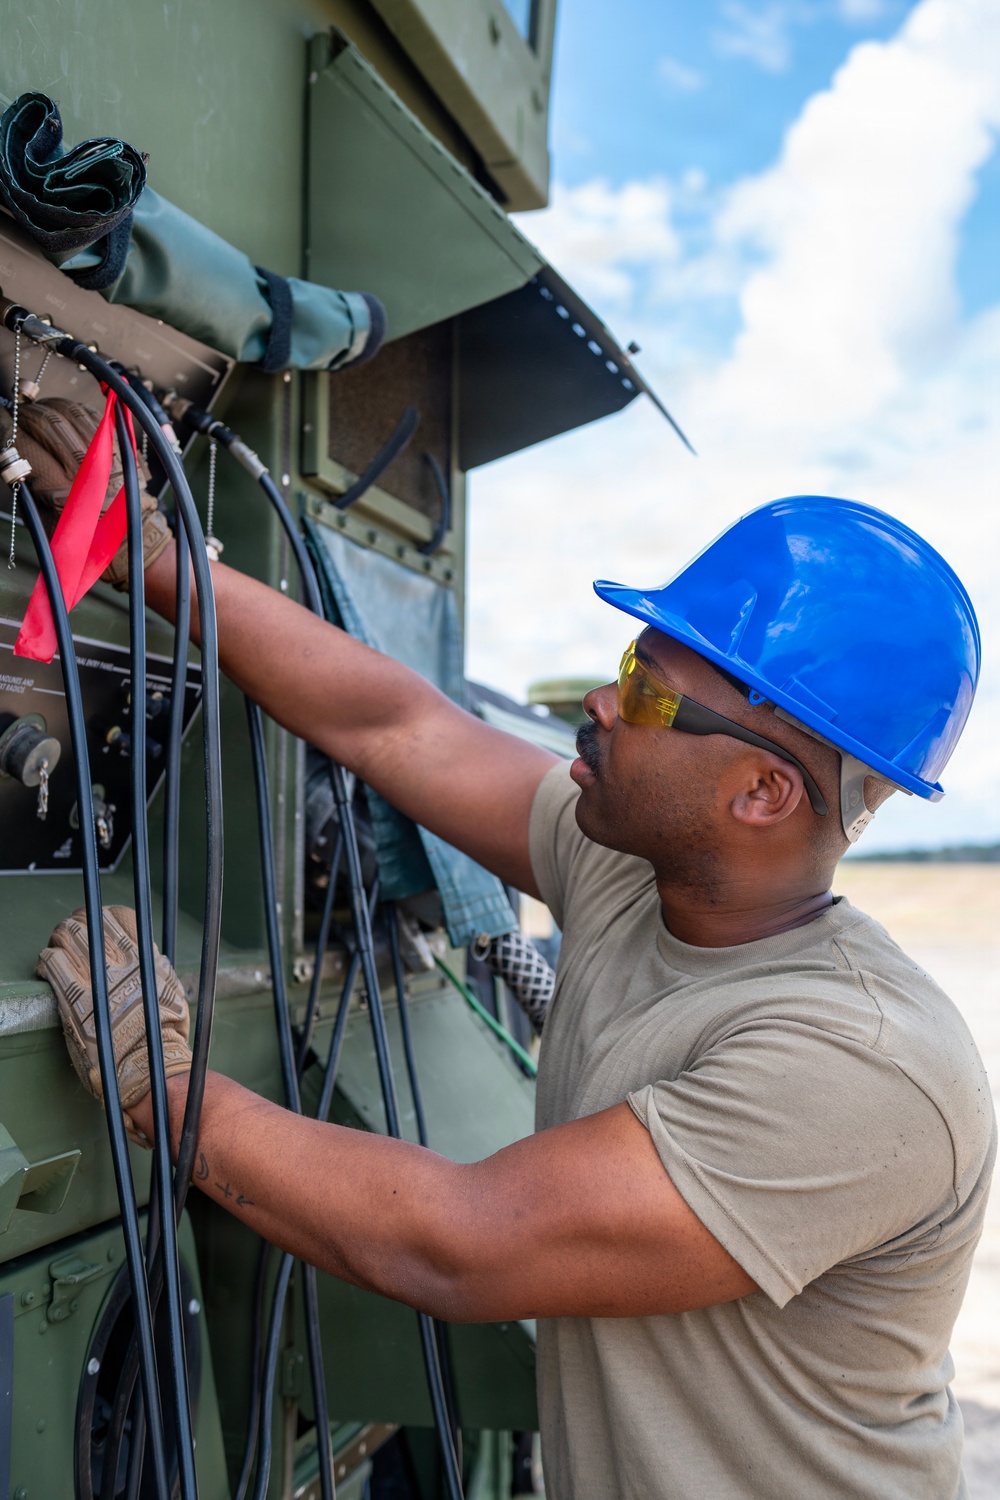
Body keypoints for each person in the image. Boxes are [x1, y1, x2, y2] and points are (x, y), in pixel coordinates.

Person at [37, 494, 995, 1500]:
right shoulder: (638, 874)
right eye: (629, 662)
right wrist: (154, 559)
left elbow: (458, 1242)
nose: (600, 699)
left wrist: (159, 1083)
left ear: (761, 793)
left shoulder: (855, 1062)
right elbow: (401, 728)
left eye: (649, 692)